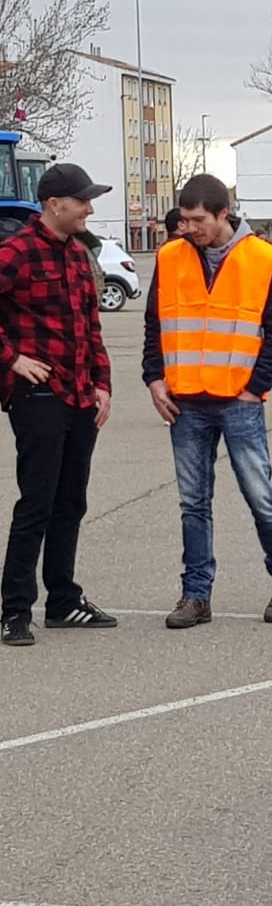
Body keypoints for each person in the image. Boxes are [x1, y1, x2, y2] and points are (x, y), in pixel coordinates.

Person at [145, 173, 272, 629]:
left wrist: (256, 387)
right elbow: (155, 324)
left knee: (260, 496)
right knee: (193, 502)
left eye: (198, 220)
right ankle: (196, 596)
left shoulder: (262, 258)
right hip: (185, 400)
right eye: (185, 219)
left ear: (222, 214)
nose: (189, 228)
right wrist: (154, 378)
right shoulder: (170, 257)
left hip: (239, 400)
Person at [0, 164, 117, 647]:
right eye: (83, 200)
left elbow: (91, 325)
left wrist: (103, 383)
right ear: (54, 204)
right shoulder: (15, 252)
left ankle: (64, 601)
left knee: (71, 501)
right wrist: (11, 358)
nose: (90, 208)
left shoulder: (78, 254)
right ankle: (13, 611)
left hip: (80, 395)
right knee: (38, 503)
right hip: (38, 396)